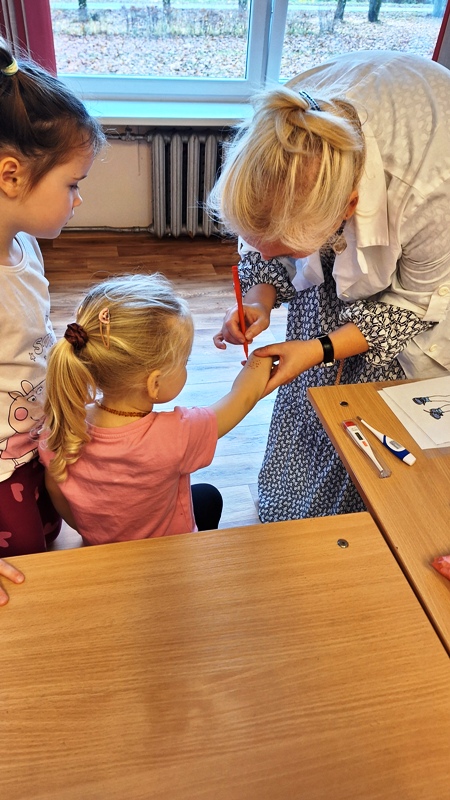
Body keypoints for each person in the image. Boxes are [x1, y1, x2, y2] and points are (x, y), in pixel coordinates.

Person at [207, 50, 450, 522]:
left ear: (348, 210)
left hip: (416, 296)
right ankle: (289, 507)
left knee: (363, 428)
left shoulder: (430, 194)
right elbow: (263, 244)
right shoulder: (286, 132)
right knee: (308, 402)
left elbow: (412, 304)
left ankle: (339, 523)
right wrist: (259, 299)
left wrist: (317, 348)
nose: (267, 258)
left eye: (286, 249)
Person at [39, 273, 272, 544]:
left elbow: (55, 491)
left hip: (103, 547)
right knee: (210, 497)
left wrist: (92, 535)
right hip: (170, 553)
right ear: (154, 383)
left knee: (205, 496)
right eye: (184, 362)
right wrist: (261, 360)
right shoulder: (175, 435)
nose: (185, 367)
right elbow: (242, 398)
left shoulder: (61, 425)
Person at [0, 37, 105, 556]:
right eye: (72, 184)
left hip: (32, 442)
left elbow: (29, 338)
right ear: (11, 176)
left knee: (46, 536)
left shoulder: (26, 247)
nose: (78, 199)